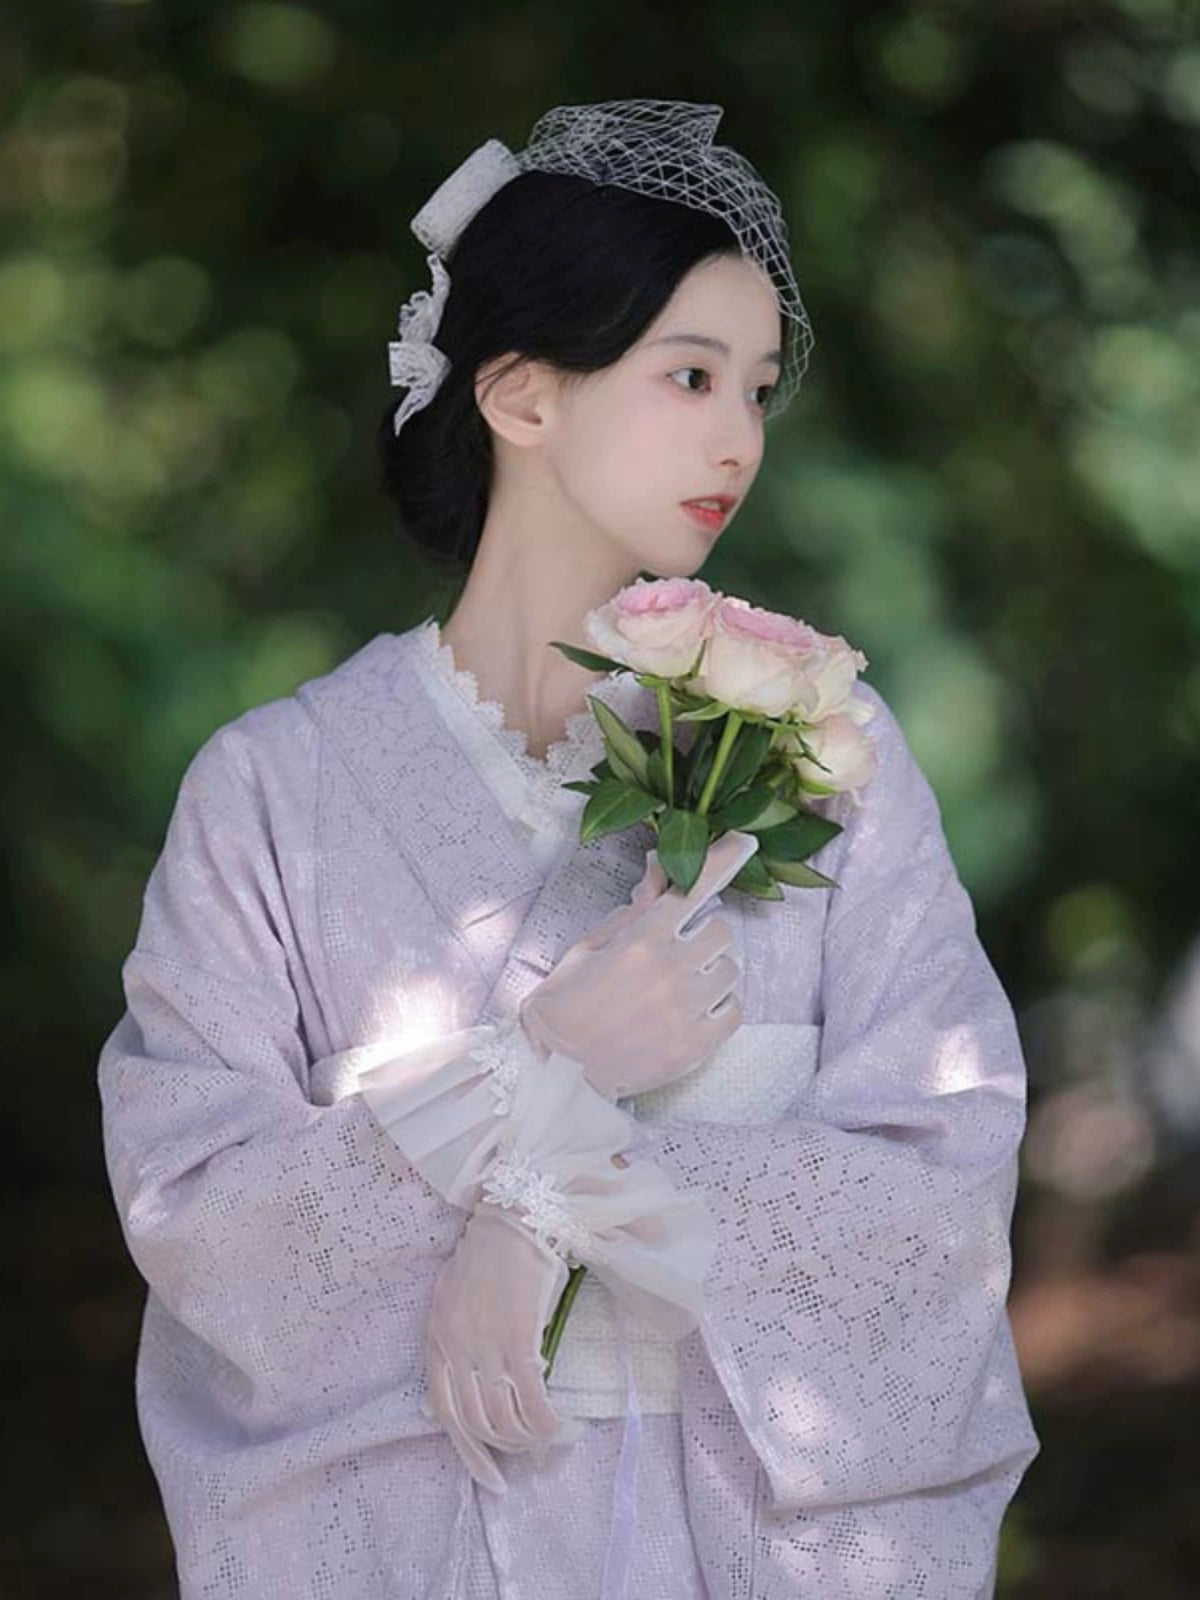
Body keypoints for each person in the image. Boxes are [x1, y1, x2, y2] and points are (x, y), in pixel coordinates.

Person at [97, 99, 1040, 1598]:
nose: (740, 436)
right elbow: (203, 1220)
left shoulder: (827, 751)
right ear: (522, 396)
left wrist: (550, 1211)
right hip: (425, 1534)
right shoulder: (274, 792)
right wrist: (526, 1071)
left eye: (759, 385)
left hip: (738, 1542)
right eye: (689, 374)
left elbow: (941, 1171)